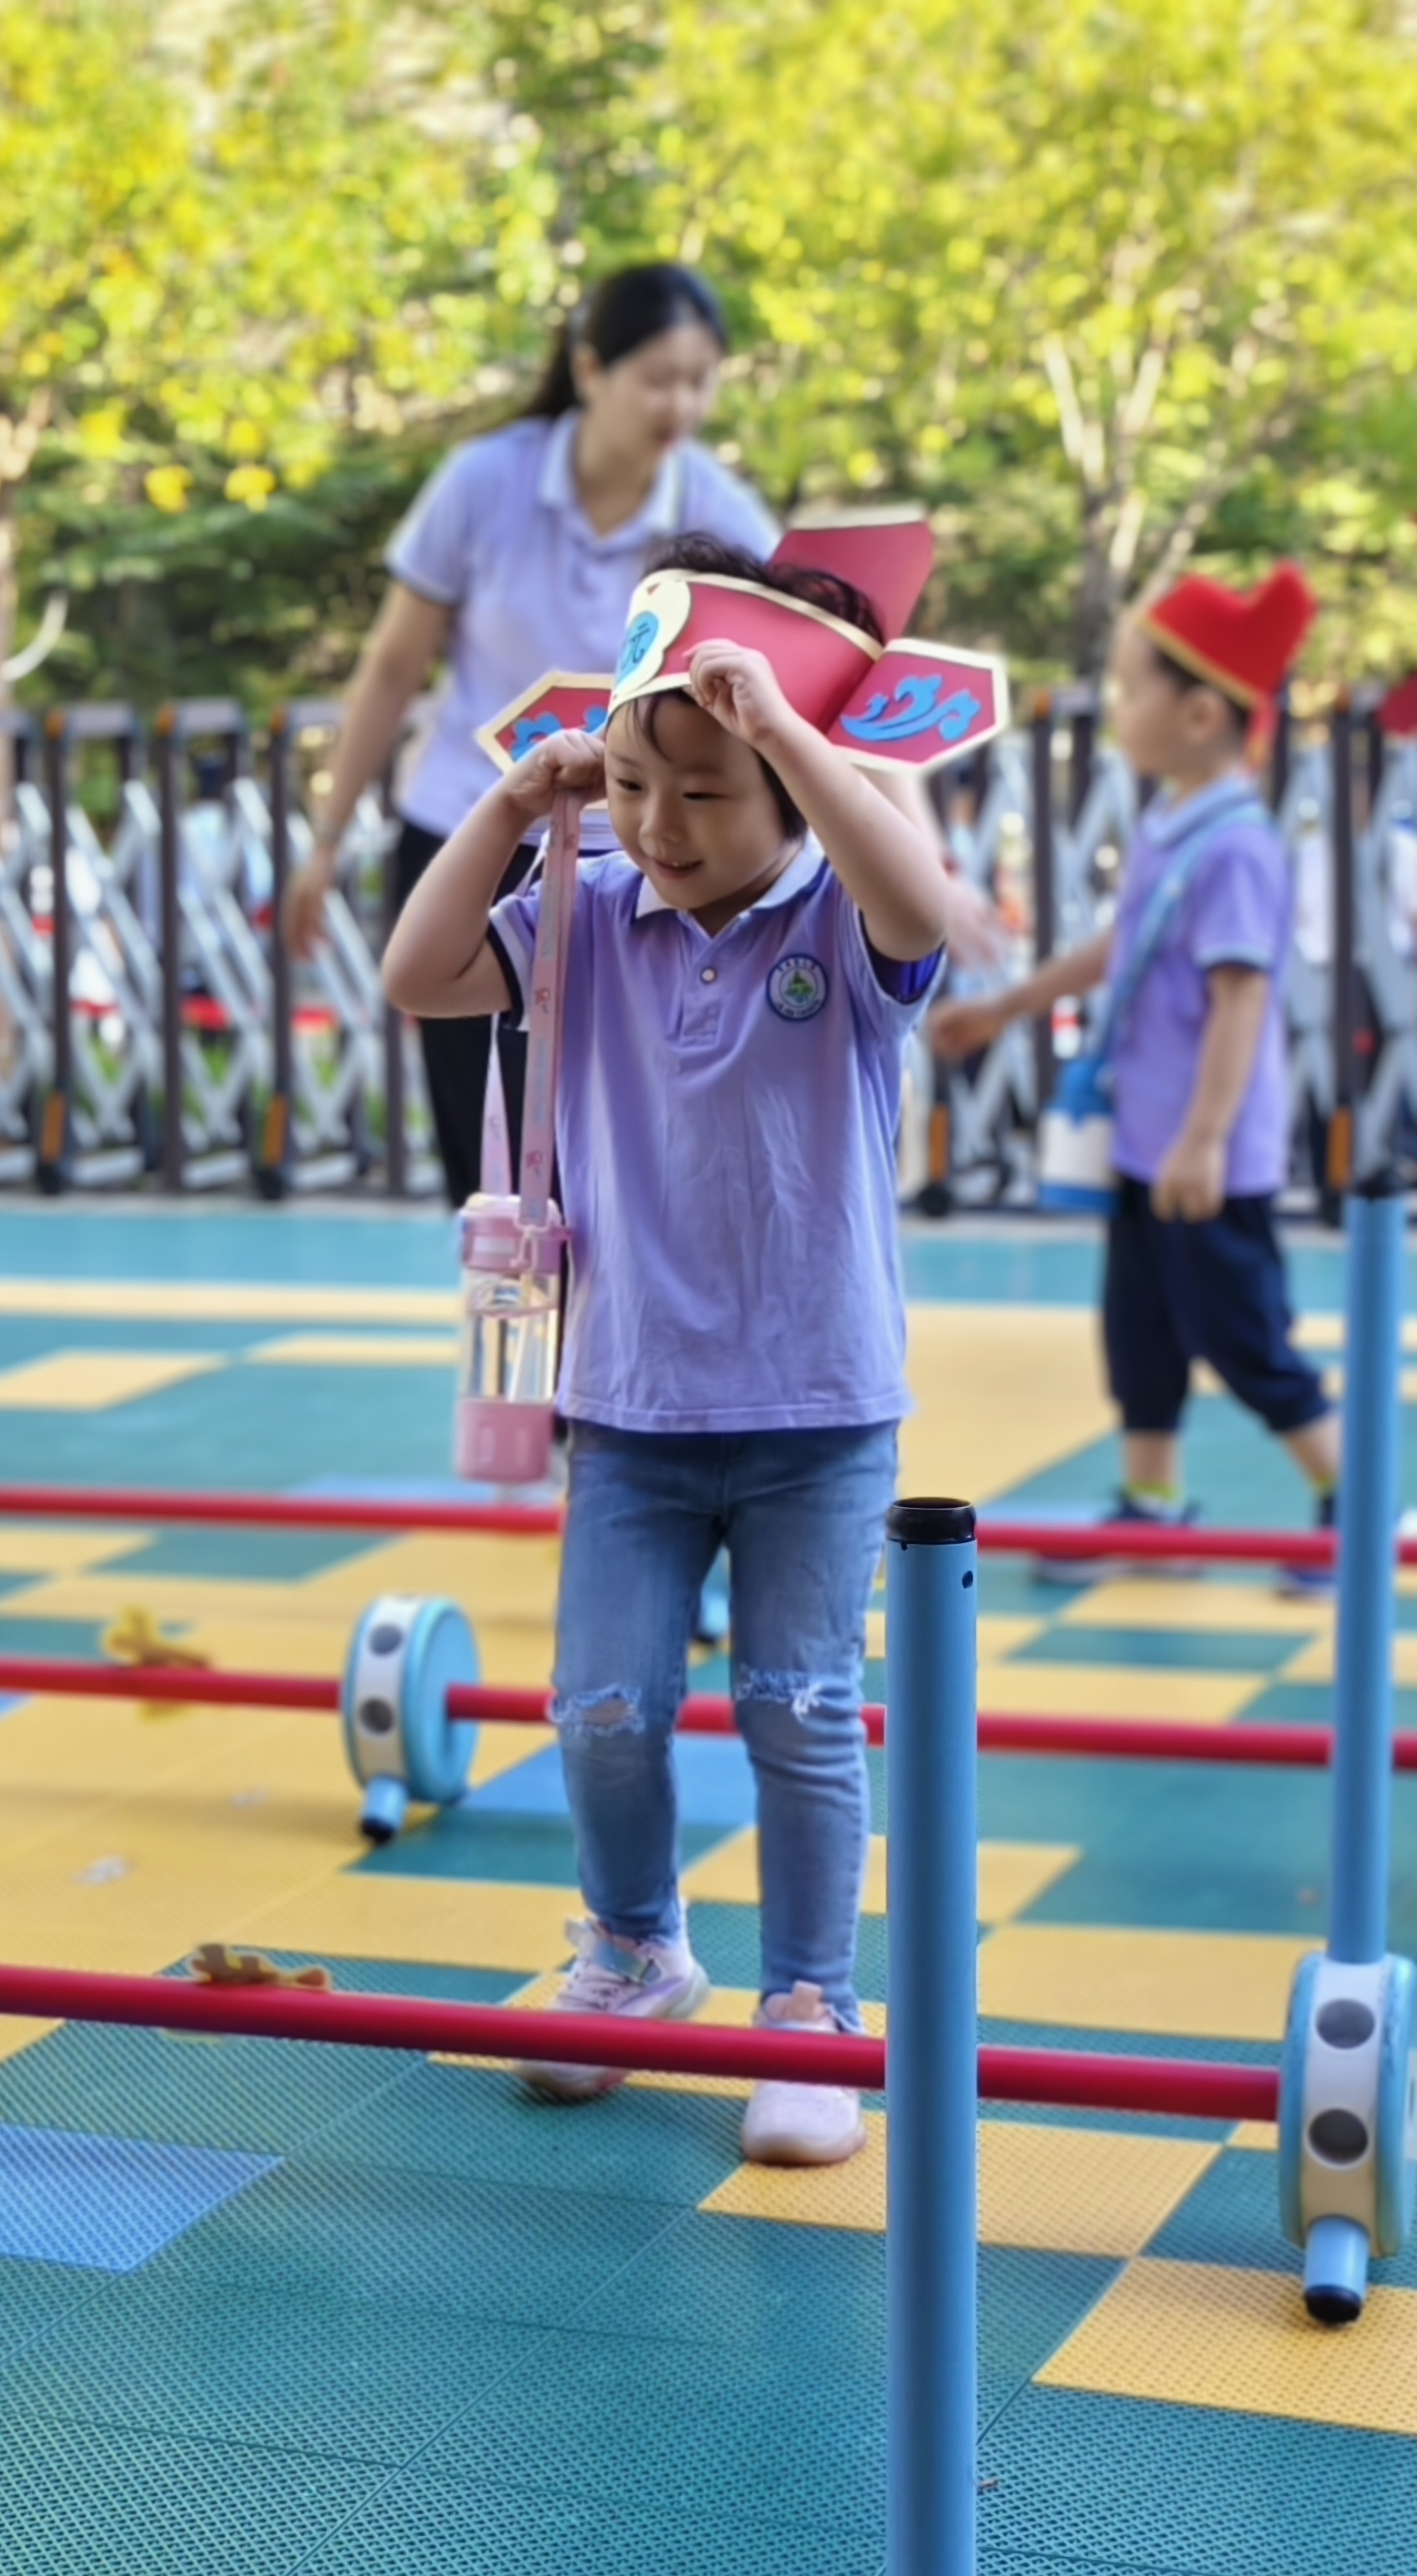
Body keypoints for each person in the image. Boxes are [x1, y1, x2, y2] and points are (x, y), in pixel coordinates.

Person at [381, 524, 994, 2167]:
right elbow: (413, 971)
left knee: (797, 1704)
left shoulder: (836, 938)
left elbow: (920, 896)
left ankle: (808, 2005)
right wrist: (517, 805)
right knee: (598, 1703)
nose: (657, 825)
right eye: (637, 784)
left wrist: (791, 730)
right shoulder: (584, 907)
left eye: (704, 794)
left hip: (814, 1406)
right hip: (627, 1406)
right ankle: (632, 1949)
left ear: (792, 797)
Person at [285, 263, 777, 1208]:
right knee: (488, 1164)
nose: (681, 402)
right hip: (471, 837)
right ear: (590, 370)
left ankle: (601, 1358)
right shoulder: (483, 482)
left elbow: (815, 670)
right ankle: (502, 1343)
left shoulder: (719, 514)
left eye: (699, 379)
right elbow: (393, 668)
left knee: (612, 1161)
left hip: (638, 862)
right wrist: (327, 837)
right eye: (657, 377)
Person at [926, 568, 1333, 1588]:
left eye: (1129, 689)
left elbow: (1240, 1000)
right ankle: (1154, 1510)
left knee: (1246, 1341)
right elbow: (1121, 946)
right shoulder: (1173, 821)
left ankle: (1353, 1503)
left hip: (1203, 1157)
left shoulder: (1235, 845)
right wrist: (1006, 1007)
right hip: (1149, 1146)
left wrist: (1204, 1138)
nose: (1118, 709)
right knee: (1140, 1334)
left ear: (1200, 712)